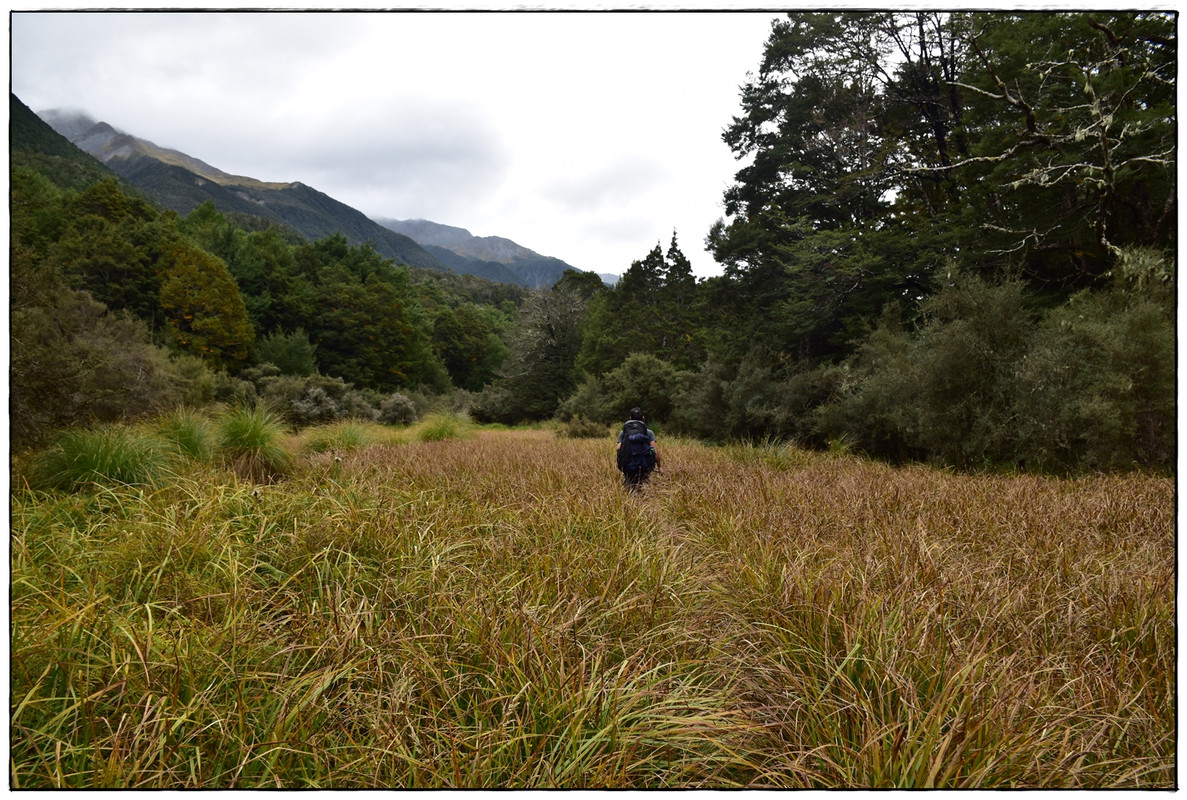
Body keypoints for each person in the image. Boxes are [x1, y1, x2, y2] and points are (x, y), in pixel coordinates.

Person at [616, 407, 660, 491]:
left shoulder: (623, 432)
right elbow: (654, 451)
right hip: (644, 465)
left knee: (629, 488)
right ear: (643, 418)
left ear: (630, 418)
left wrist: (621, 462)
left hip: (628, 465)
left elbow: (618, 448)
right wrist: (659, 466)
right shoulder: (649, 432)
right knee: (644, 487)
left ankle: (629, 502)